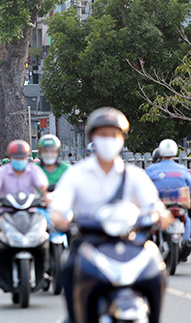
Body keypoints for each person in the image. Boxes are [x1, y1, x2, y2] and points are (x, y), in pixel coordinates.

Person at [49, 108, 172, 323]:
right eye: (102, 134)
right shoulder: (76, 174)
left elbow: (154, 204)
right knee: (69, 268)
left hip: (132, 243)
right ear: (92, 137)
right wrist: (61, 219)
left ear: (122, 138)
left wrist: (161, 214)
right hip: (89, 244)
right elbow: (59, 209)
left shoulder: (135, 175)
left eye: (114, 134)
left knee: (156, 268)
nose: (108, 140)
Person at [0, 140, 49, 277]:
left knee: (46, 234)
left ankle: (45, 268)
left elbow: (43, 188)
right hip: (8, 214)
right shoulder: (2, 172)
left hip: (31, 214)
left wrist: (46, 197)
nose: (19, 160)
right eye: (16, 157)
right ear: (10, 157)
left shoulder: (34, 170)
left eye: (22, 157)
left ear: (27, 157)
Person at [145, 138, 191, 261]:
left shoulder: (151, 170)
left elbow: (142, 187)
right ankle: (186, 241)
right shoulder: (183, 170)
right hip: (179, 203)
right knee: (188, 217)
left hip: (159, 205)